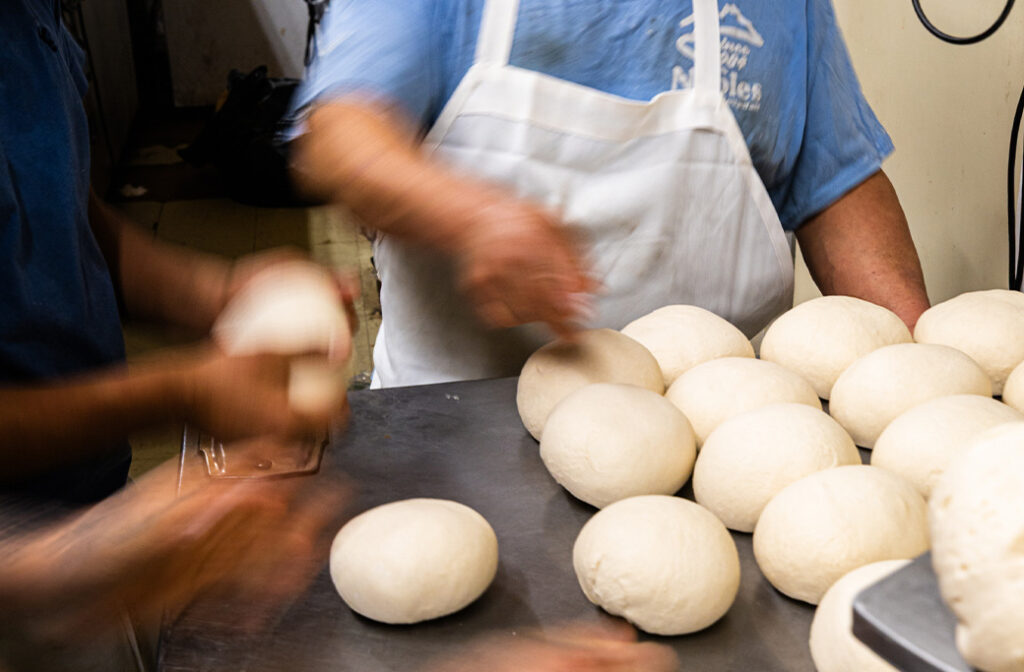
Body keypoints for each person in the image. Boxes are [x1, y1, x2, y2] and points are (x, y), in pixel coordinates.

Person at [289, 0, 931, 388]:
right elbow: (340, 139)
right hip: (458, 431)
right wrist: (472, 216)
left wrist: (923, 366)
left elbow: (834, 185)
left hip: (728, 438)